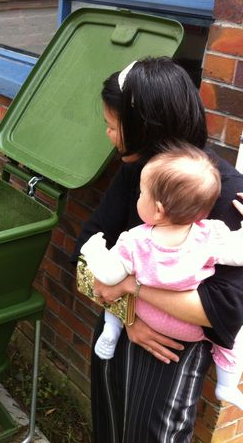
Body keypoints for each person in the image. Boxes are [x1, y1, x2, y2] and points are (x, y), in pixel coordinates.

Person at [74, 57, 243, 442]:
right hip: (120, 332)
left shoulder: (222, 193)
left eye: (114, 126)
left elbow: (222, 309)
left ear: (146, 127)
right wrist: (128, 316)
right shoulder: (137, 170)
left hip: (170, 356)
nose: (109, 135)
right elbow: (83, 253)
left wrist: (131, 288)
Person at [81, 144, 243, 409]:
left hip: (145, 315)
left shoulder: (136, 239)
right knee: (236, 341)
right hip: (189, 332)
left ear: (157, 210)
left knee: (114, 292)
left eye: (142, 193)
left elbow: (108, 277)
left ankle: (111, 330)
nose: (138, 197)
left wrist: (94, 250)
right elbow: (239, 253)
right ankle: (227, 384)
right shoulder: (210, 235)